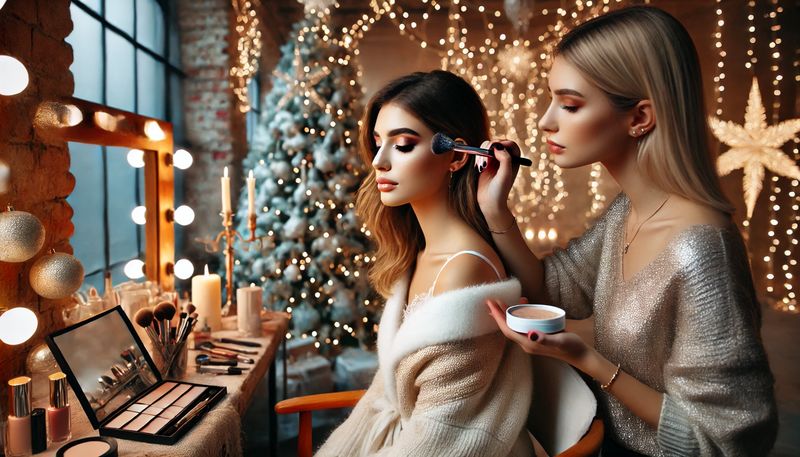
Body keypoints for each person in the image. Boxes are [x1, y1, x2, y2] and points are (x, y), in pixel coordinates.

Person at [481, 6, 778, 456]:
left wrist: (588, 360)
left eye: (570, 104)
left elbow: (726, 438)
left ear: (640, 117)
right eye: (551, 99)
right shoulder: (626, 211)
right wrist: (495, 209)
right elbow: (553, 290)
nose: (546, 121)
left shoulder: (701, 249)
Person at [316, 71, 534, 456]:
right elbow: (384, 397)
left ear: (455, 155)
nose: (379, 161)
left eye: (402, 145)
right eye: (377, 142)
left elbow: (439, 437)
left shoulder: (465, 270)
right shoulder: (416, 255)